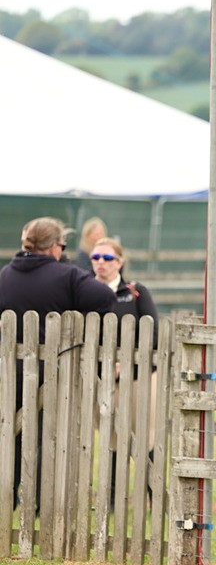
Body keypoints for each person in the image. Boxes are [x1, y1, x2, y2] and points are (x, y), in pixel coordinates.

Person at [0, 217, 115, 507]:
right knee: (49, 437)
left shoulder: (4, 276)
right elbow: (105, 298)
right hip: (52, 372)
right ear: (53, 247)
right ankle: (42, 503)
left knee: (9, 434)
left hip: (9, 372)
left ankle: (7, 498)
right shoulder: (68, 276)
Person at [90, 236, 159, 508]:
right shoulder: (84, 291)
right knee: (112, 439)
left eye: (107, 258)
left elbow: (152, 333)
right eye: (96, 258)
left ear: (120, 262)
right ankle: (111, 501)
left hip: (140, 377)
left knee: (146, 436)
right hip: (103, 379)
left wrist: (126, 361)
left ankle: (154, 499)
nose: (101, 263)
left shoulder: (136, 291)